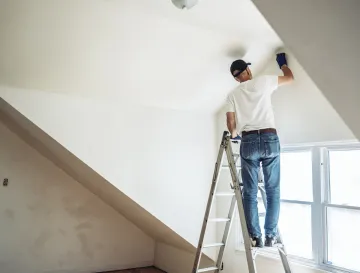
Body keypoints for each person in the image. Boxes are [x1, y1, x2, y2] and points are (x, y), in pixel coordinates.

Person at [225, 52, 294, 247]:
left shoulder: (232, 94)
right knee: (273, 191)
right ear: (248, 70)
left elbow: (231, 123)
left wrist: (234, 134)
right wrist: (282, 64)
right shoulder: (263, 81)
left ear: (236, 77)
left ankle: (256, 237)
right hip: (269, 138)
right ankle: (270, 235)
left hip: (248, 142)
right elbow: (290, 78)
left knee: (249, 192)